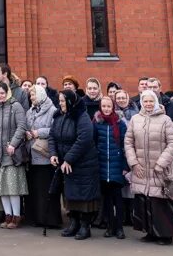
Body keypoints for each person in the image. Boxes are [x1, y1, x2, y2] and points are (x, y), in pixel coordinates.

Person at [125, 90, 173, 245]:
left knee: (160, 203)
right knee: (144, 201)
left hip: (160, 170)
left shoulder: (166, 120)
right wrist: (134, 163)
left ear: (155, 102)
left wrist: (161, 163)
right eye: (145, 101)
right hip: (141, 169)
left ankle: (165, 235)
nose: (148, 104)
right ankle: (150, 232)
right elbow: (128, 142)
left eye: (151, 101)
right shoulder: (135, 119)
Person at [49, 89, 100, 239]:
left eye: (63, 101)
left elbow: (84, 139)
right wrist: (53, 154)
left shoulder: (81, 116)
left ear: (70, 102)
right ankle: (73, 223)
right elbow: (52, 136)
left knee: (84, 196)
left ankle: (85, 226)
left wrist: (69, 159)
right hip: (67, 163)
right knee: (70, 195)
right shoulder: (59, 116)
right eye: (59, 101)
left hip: (83, 163)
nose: (60, 104)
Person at [0, 81, 28, 229]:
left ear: (8, 92)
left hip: (12, 153)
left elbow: (21, 127)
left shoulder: (15, 106)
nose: (0, 96)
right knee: (1, 188)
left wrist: (13, 144)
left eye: (2, 93)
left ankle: (16, 216)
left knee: (13, 188)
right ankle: (7, 216)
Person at [25, 84, 61, 229]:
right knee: (36, 190)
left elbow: (55, 129)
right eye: (30, 95)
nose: (31, 97)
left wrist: (37, 132)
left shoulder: (52, 110)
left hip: (45, 155)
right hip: (33, 154)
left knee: (47, 189)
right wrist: (27, 133)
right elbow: (27, 127)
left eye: (33, 95)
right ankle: (38, 218)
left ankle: (50, 219)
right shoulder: (30, 111)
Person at [94, 95, 128, 239]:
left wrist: (125, 166)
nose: (106, 109)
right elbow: (93, 143)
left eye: (109, 106)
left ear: (113, 107)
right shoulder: (96, 123)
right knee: (106, 200)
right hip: (102, 167)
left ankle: (119, 227)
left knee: (118, 199)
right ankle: (110, 226)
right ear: (100, 107)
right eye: (104, 106)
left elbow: (126, 146)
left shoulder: (120, 124)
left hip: (116, 166)